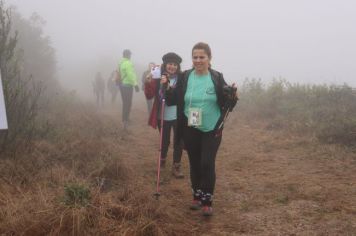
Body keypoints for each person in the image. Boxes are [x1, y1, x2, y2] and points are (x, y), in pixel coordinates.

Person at [163, 42, 238, 216]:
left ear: (209, 58)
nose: (198, 60)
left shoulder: (217, 77)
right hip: (191, 125)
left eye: (202, 57)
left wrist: (233, 95)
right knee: (195, 162)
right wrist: (166, 87)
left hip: (212, 127)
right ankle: (196, 195)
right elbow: (173, 99)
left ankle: (207, 199)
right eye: (195, 57)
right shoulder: (186, 77)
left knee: (206, 163)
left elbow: (229, 103)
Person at [146, 53, 184, 178]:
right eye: (170, 64)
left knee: (178, 141)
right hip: (162, 116)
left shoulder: (182, 79)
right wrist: (148, 82)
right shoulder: (157, 78)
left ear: (178, 67)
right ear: (165, 65)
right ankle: (162, 160)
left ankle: (176, 166)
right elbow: (149, 96)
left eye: (175, 65)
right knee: (164, 140)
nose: (172, 67)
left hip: (177, 116)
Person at [118, 49, 139, 130]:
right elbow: (130, 74)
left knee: (125, 103)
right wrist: (135, 84)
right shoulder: (128, 63)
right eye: (130, 55)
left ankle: (124, 119)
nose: (130, 56)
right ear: (128, 55)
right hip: (128, 86)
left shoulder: (120, 63)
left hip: (122, 85)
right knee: (128, 103)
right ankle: (126, 120)